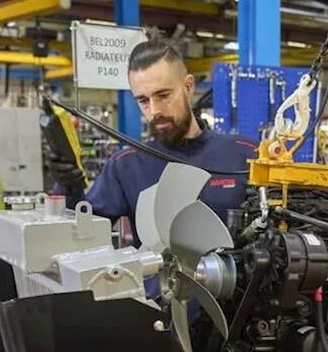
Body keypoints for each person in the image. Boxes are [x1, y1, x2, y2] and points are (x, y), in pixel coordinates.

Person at [50, 38, 258, 232]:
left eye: (163, 95)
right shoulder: (126, 166)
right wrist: (68, 188)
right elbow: (84, 232)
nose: (154, 110)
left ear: (188, 87)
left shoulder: (244, 154)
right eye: (143, 101)